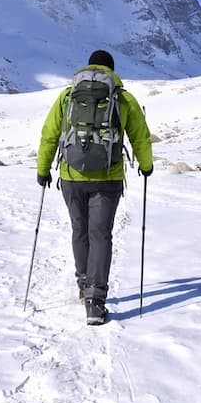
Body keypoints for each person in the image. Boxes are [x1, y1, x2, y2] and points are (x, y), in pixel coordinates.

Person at [36, 50, 153, 325]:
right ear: (111, 70)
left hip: (71, 176)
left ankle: (83, 283)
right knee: (101, 235)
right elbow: (140, 135)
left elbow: (50, 134)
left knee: (80, 230)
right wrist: (146, 165)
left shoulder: (67, 97)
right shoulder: (122, 97)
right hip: (107, 177)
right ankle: (95, 300)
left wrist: (43, 169)